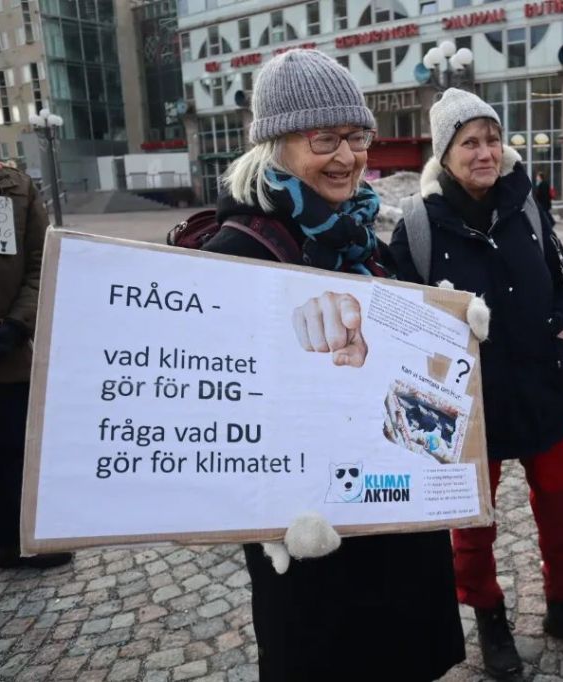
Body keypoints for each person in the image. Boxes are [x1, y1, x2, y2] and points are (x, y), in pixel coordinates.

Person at [200, 50, 464, 682]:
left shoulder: (362, 237)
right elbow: (215, 410)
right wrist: (264, 518)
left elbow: (399, 379)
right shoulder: (237, 253)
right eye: (325, 138)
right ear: (275, 144)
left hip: (394, 516)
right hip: (311, 536)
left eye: (357, 137)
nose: (347, 156)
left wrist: (446, 339)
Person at [390, 88, 563, 679]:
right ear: (444, 153)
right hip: (468, 409)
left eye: (492, 139)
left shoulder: (527, 204)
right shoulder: (418, 225)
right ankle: (489, 617)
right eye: (470, 142)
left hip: (543, 394)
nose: (486, 152)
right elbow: (399, 322)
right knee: (471, 526)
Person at [0, 97, 73, 574]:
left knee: (12, 456)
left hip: (6, 352)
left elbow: (42, 259)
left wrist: (18, 323)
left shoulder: (14, 187)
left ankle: (12, 547)